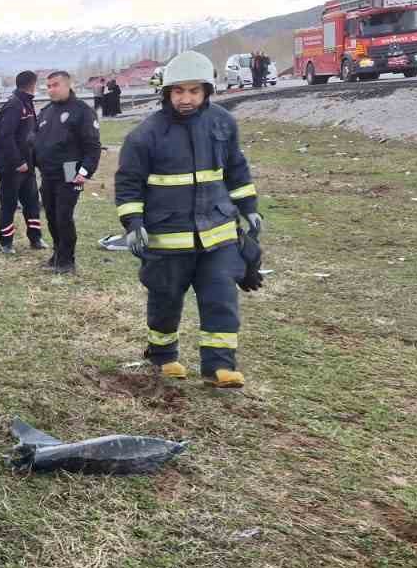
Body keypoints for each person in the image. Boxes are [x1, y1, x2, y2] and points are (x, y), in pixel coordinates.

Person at [114, 50, 261, 388]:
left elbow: (236, 171)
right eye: (179, 91)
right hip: (168, 239)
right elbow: (128, 185)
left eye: (194, 91)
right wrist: (133, 225)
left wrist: (249, 208)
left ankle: (220, 366)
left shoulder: (223, 123)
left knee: (220, 297)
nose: (186, 98)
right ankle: (164, 356)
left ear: (207, 91)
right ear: (166, 92)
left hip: (218, 234)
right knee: (165, 299)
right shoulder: (145, 135)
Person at [33, 70, 101, 275]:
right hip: (48, 172)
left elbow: (93, 146)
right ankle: (57, 253)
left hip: (72, 171)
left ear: (67, 85)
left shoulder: (82, 111)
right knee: (52, 215)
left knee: (64, 215)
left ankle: (67, 260)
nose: (51, 89)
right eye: (48, 86)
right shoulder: (46, 112)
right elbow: (36, 140)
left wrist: (85, 172)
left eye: (55, 85)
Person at [0, 70, 44, 254]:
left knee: (32, 203)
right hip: (12, 166)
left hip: (27, 165)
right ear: (33, 84)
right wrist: (17, 161)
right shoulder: (14, 106)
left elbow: (30, 135)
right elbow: (5, 136)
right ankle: (6, 242)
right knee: (9, 203)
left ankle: (35, 238)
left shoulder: (27, 104)